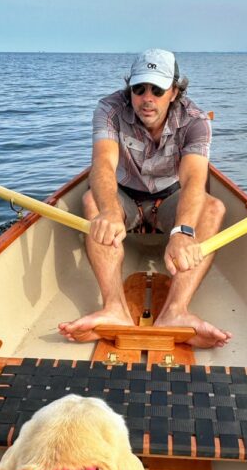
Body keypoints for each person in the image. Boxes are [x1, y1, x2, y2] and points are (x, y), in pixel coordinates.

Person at [59, 49, 231, 348]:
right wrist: (110, 212)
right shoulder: (109, 109)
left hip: (170, 198)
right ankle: (114, 309)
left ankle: (176, 312)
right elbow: (103, 165)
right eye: (139, 89)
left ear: (174, 91)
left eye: (157, 89)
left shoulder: (196, 120)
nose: (147, 98)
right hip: (124, 194)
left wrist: (183, 231)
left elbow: (193, 180)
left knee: (214, 207)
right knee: (92, 203)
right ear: (130, 90)